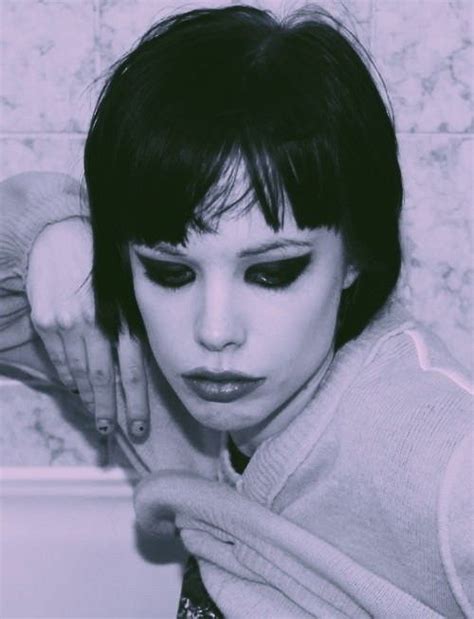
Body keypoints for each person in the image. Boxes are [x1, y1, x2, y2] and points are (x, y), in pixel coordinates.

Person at [1, 4, 472, 618]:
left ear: (357, 256)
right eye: (170, 272)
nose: (214, 332)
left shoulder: (441, 463)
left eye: (272, 272)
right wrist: (51, 234)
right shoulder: (152, 388)